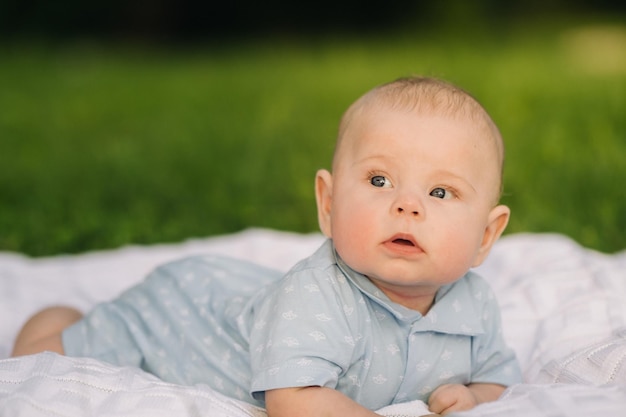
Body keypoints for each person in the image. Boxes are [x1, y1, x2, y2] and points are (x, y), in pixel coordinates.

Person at [12, 76, 521, 416]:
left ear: (484, 237)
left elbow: (498, 377)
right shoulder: (318, 296)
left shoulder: (473, 307)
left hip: (242, 299)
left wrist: (472, 395)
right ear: (327, 203)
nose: (407, 206)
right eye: (380, 180)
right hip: (184, 314)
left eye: (440, 192)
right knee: (49, 357)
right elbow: (294, 400)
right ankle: (53, 316)